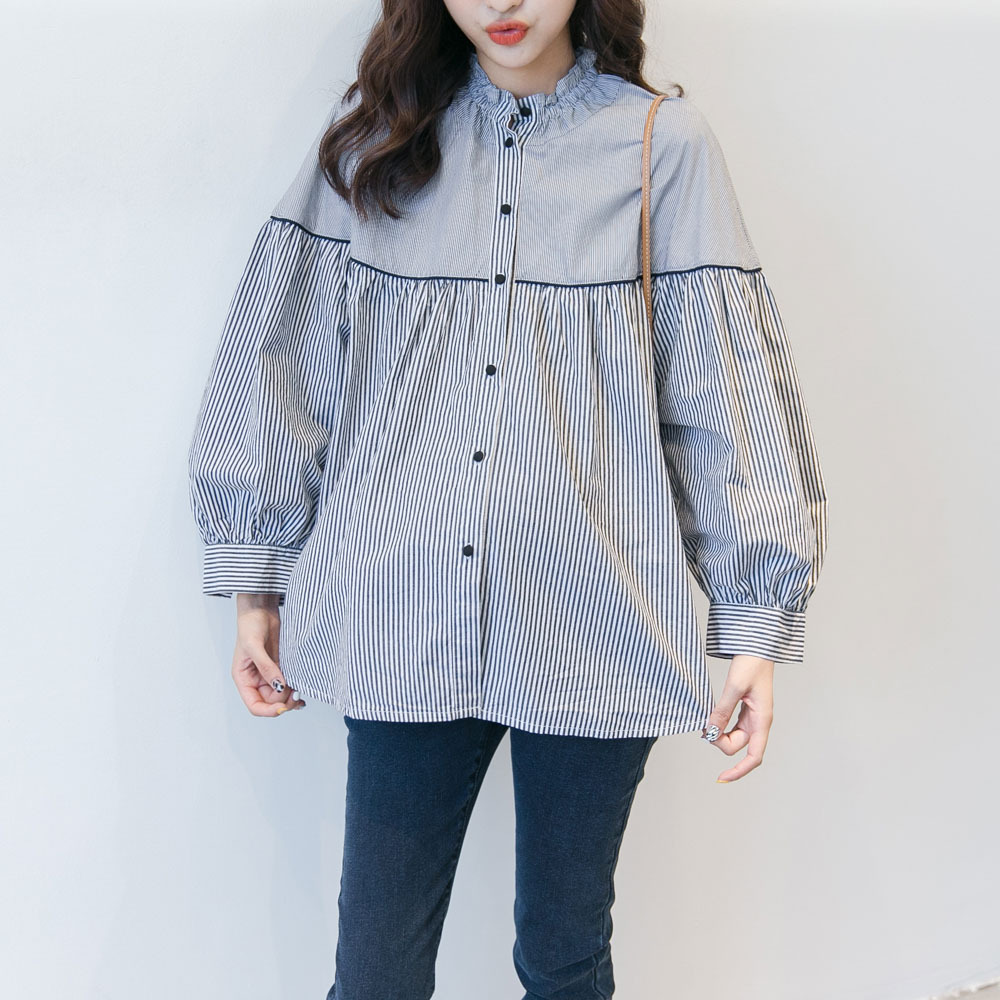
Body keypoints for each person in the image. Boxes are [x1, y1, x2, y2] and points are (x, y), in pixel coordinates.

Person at [186, 1, 829, 996]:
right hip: (398, 611)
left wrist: (756, 620)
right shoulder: (374, 141)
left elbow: (723, 385)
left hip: (595, 618)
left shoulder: (663, 147)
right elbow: (284, 354)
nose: (502, 3)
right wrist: (253, 580)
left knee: (564, 952)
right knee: (376, 963)